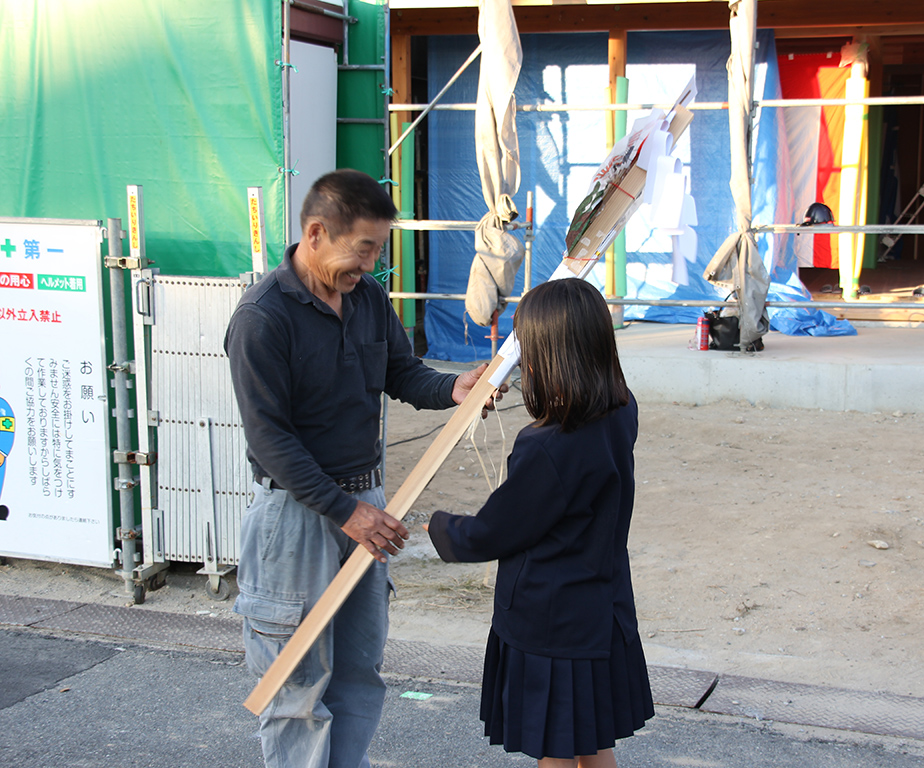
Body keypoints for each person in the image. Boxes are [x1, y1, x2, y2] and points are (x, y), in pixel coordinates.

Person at [225, 168, 497, 768]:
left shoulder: (367, 298)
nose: (371, 265)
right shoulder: (262, 318)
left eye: (377, 249)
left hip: (365, 503)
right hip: (296, 516)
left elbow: (400, 371)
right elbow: (271, 440)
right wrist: (347, 512)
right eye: (364, 249)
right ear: (316, 233)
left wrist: (455, 388)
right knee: (294, 684)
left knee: (357, 672)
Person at [427, 278, 655, 768]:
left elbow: (495, 530)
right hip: (602, 604)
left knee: (555, 748)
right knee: (593, 744)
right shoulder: (621, 409)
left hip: (551, 622)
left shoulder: (548, 447)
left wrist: (439, 526)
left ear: (546, 357)